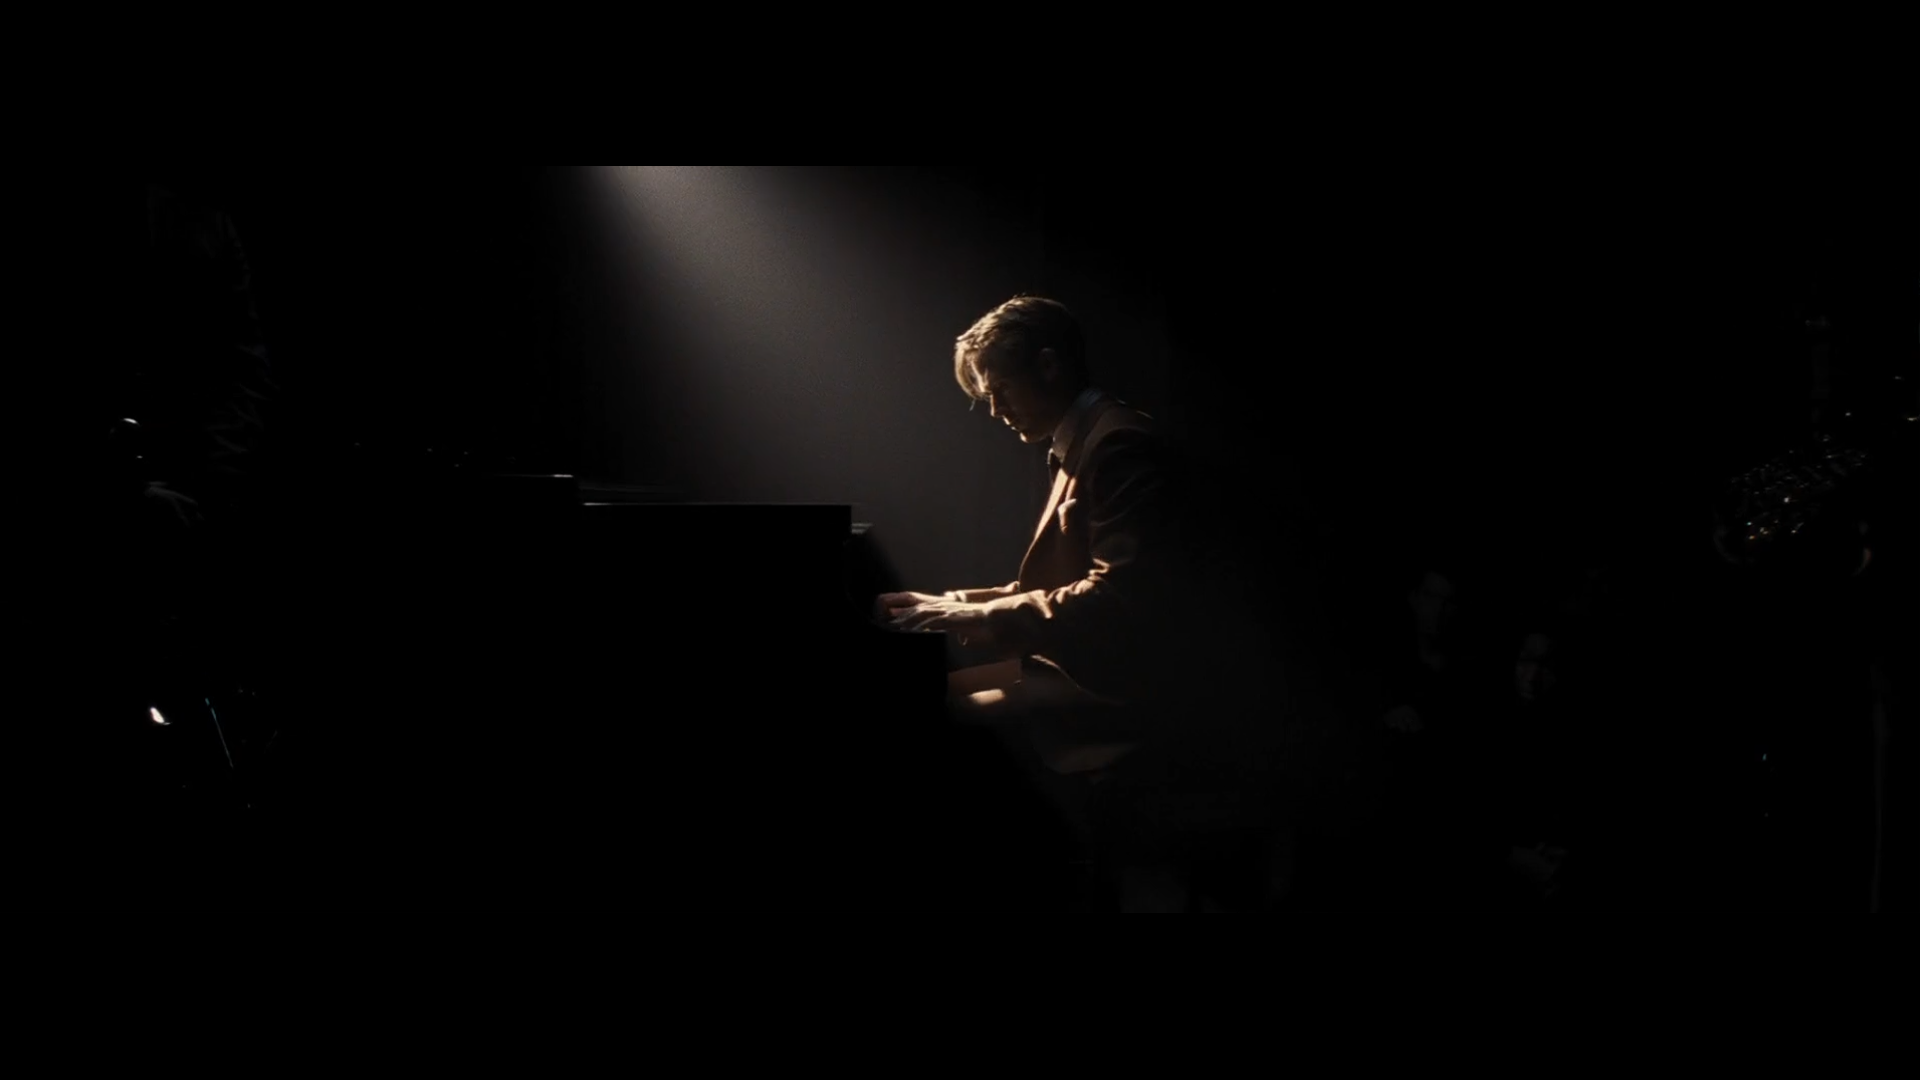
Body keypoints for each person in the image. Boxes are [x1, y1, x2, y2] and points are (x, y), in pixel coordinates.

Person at [881, 295, 1277, 909]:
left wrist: (973, 617)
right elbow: (1062, 581)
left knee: (945, 707)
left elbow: (1120, 597)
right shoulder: (1085, 440)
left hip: (1125, 686)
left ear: (1048, 365)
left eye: (999, 390)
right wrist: (950, 601)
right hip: (1081, 668)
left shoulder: (1119, 445)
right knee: (943, 691)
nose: (994, 410)